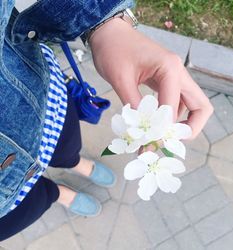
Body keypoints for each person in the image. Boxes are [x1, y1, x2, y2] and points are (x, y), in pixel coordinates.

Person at [0, 0, 213, 241]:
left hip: (36, 99)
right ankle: (57, 194)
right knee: (30, 205)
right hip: (4, 204)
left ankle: (74, 163)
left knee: (67, 146)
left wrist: (103, 25)